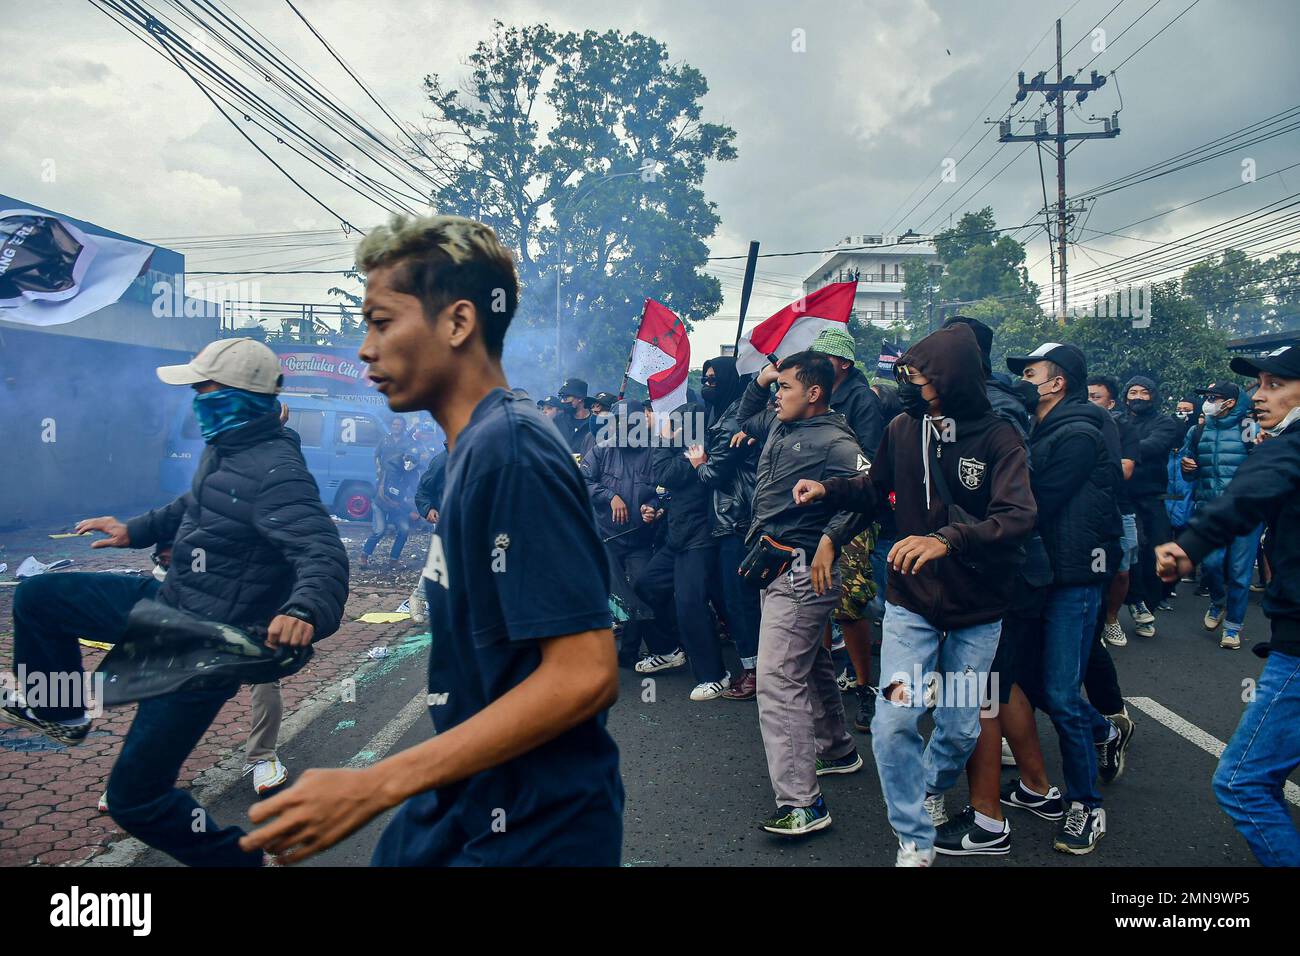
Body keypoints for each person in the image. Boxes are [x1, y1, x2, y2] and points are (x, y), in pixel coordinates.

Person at [241, 213, 622, 866]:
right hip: (471, 804)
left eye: (382, 321)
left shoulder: (513, 452)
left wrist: (376, 783)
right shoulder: (468, 451)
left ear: (457, 323)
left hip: (538, 832)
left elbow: (585, 674)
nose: (365, 347)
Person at [4, 337, 349, 867]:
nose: (195, 399)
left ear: (238, 396)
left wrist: (304, 609)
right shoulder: (225, 448)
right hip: (172, 599)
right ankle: (64, 712)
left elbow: (322, 553)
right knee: (39, 596)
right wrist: (133, 531)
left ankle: (242, 863)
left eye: (205, 388)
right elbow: (195, 503)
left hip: (202, 646)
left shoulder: (277, 473)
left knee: (135, 800)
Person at [795, 323, 1035, 864]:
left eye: (925, 377)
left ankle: (929, 785)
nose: (916, 387)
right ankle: (913, 837)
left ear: (952, 379)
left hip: (978, 609)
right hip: (911, 606)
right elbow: (876, 487)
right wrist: (829, 490)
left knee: (958, 729)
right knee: (895, 718)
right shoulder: (903, 428)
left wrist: (947, 539)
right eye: (912, 376)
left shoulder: (1000, 438)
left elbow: (1018, 516)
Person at [1156, 344, 1300, 866]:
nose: (1260, 396)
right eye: (1258, 384)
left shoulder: (1288, 445)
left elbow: (1252, 491)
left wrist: (1189, 545)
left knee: (1242, 783)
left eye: (1275, 384)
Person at [734, 350, 871, 837]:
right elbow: (726, 428)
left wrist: (831, 541)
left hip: (802, 572)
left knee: (776, 680)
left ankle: (801, 803)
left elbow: (872, 493)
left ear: (814, 392)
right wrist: (761, 380)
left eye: (785, 387)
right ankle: (836, 748)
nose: (776, 394)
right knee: (810, 661)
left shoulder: (837, 440)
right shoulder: (780, 423)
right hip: (773, 567)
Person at [1005, 343, 1124, 855]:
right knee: (1028, 681)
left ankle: (1085, 806)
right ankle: (1103, 728)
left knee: (1058, 691)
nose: (1021, 382)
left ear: (1056, 384)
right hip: (1041, 576)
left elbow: (1037, 500)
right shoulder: (1041, 429)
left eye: (1029, 374)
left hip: (1073, 578)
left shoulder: (1077, 433)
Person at [810, 327, 884, 733]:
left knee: (848, 600)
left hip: (852, 510)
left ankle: (864, 687)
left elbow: (868, 465)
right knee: (816, 595)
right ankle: (823, 682)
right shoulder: (817, 393)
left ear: (842, 364)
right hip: (817, 506)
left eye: (824, 356)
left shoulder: (861, 400)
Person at [637, 401, 729, 700]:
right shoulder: (680, 447)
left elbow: (670, 473)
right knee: (645, 586)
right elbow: (667, 480)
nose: (671, 427)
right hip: (677, 534)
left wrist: (671, 444)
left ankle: (715, 674)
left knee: (690, 603)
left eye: (678, 423)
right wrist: (656, 506)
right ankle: (668, 649)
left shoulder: (707, 445)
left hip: (701, 534)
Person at [688, 356, 762, 699]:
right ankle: (757, 666)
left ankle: (754, 672)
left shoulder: (733, 418)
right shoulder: (722, 413)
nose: (708, 383)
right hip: (728, 518)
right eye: (705, 378)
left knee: (740, 600)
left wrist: (699, 463)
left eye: (715, 379)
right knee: (734, 598)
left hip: (735, 518)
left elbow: (714, 474)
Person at [581, 400, 664, 668]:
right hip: (604, 538)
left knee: (640, 590)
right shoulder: (600, 450)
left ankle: (629, 652)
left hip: (639, 538)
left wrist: (652, 507)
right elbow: (582, 481)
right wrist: (610, 496)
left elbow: (664, 492)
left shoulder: (654, 452)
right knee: (611, 596)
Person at [1180, 381, 1262, 649]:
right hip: (1210, 511)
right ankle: (1218, 602)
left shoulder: (1248, 428)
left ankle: (1233, 628)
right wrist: (1188, 467)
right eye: (1209, 397)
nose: (1210, 402)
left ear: (1230, 402)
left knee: (1240, 573)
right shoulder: (1197, 430)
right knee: (1212, 564)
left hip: (1245, 513)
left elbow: (1264, 467)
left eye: (1215, 397)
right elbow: (1187, 469)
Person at [1123, 375, 1180, 637]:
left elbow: (1154, 446)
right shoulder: (1119, 421)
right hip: (1124, 498)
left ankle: (1150, 606)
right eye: (1132, 392)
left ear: (1153, 396)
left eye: (1143, 392)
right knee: (1131, 549)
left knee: (1157, 551)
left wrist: (1122, 449)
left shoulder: (1165, 423)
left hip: (1152, 498)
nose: (1137, 397)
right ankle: (1134, 601)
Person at [1087, 375, 1141, 647]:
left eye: (1096, 397)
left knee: (1121, 569)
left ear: (1111, 402)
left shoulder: (1125, 428)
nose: (1089, 403)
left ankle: (1111, 618)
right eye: (1085, 397)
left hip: (1120, 508)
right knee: (1093, 570)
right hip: (1088, 510)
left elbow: (1125, 470)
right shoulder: (1077, 426)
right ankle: (1093, 623)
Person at [360, 446, 421, 568]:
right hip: (382, 503)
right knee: (379, 531)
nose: (410, 462)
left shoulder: (413, 472)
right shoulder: (391, 469)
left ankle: (393, 560)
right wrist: (408, 512)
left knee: (404, 530)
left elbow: (415, 491)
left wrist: (417, 508)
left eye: (414, 460)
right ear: (404, 456)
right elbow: (388, 498)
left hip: (398, 506)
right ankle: (364, 556)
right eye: (408, 458)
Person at [555, 377, 595, 454]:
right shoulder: (558, 420)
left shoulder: (595, 422)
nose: (562, 401)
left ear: (580, 398)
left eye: (566, 398)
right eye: (561, 398)